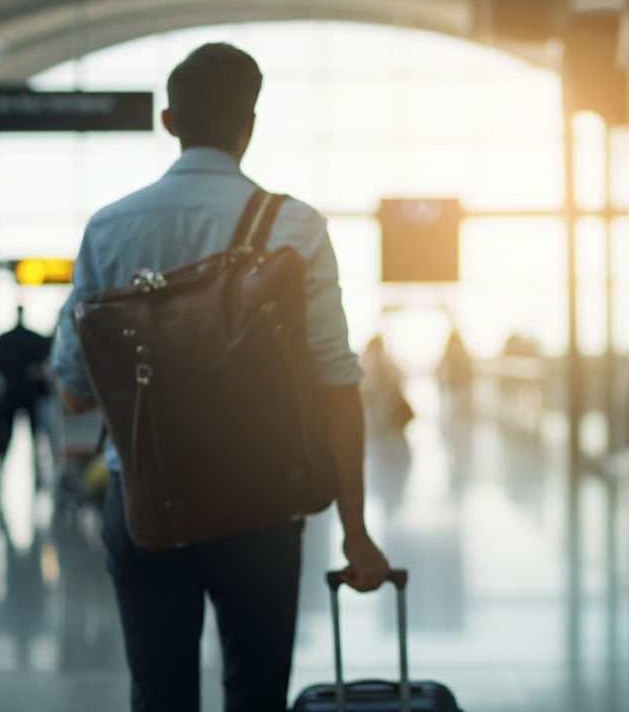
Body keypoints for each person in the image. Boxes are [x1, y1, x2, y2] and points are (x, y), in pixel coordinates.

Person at [50, 42, 390, 712]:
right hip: (261, 503)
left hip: (147, 500)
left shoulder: (109, 228)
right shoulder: (295, 227)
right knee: (256, 693)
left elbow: (75, 386)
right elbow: (333, 383)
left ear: (169, 121)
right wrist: (354, 528)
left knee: (159, 692)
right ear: (249, 125)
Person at [0, 306, 50, 465]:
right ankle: (37, 462)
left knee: (6, 429)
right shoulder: (35, 339)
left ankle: (1, 460)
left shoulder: (5, 339)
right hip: (30, 391)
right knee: (35, 430)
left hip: (11, 390)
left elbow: (0, 366)